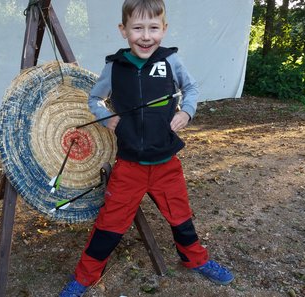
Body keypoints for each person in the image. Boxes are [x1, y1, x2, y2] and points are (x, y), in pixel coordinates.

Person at [59, 0, 234, 295]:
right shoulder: (114, 66)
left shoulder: (171, 61)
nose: (145, 36)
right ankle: (85, 276)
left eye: (153, 28)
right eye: (137, 28)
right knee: (110, 224)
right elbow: (95, 99)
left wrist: (186, 112)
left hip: (166, 163)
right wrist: (106, 119)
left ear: (163, 30)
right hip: (129, 167)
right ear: (123, 30)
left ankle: (195, 259)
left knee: (180, 216)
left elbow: (191, 89)